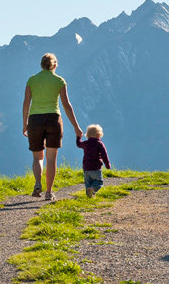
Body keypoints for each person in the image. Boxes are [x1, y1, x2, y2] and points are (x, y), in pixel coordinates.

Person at [22, 53, 82, 200]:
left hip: (35, 120)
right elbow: (67, 106)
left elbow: (26, 103)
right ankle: (49, 192)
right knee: (51, 158)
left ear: (41, 65)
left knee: (37, 157)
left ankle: (37, 183)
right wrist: (76, 127)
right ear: (55, 65)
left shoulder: (32, 80)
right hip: (54, 119)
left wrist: (25, 124)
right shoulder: (59, 81)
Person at [76, 124, 111, 197]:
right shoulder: (99, 144)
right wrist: (107, 165)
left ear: (88, 134)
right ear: (99, 134)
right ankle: (93, 188)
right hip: (96, 168)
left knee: (88, 183)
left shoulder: (86, 143)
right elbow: (104, 155)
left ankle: (89, 196)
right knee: (99, 182)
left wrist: (78, 137)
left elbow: (79, 144)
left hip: (86, 168)